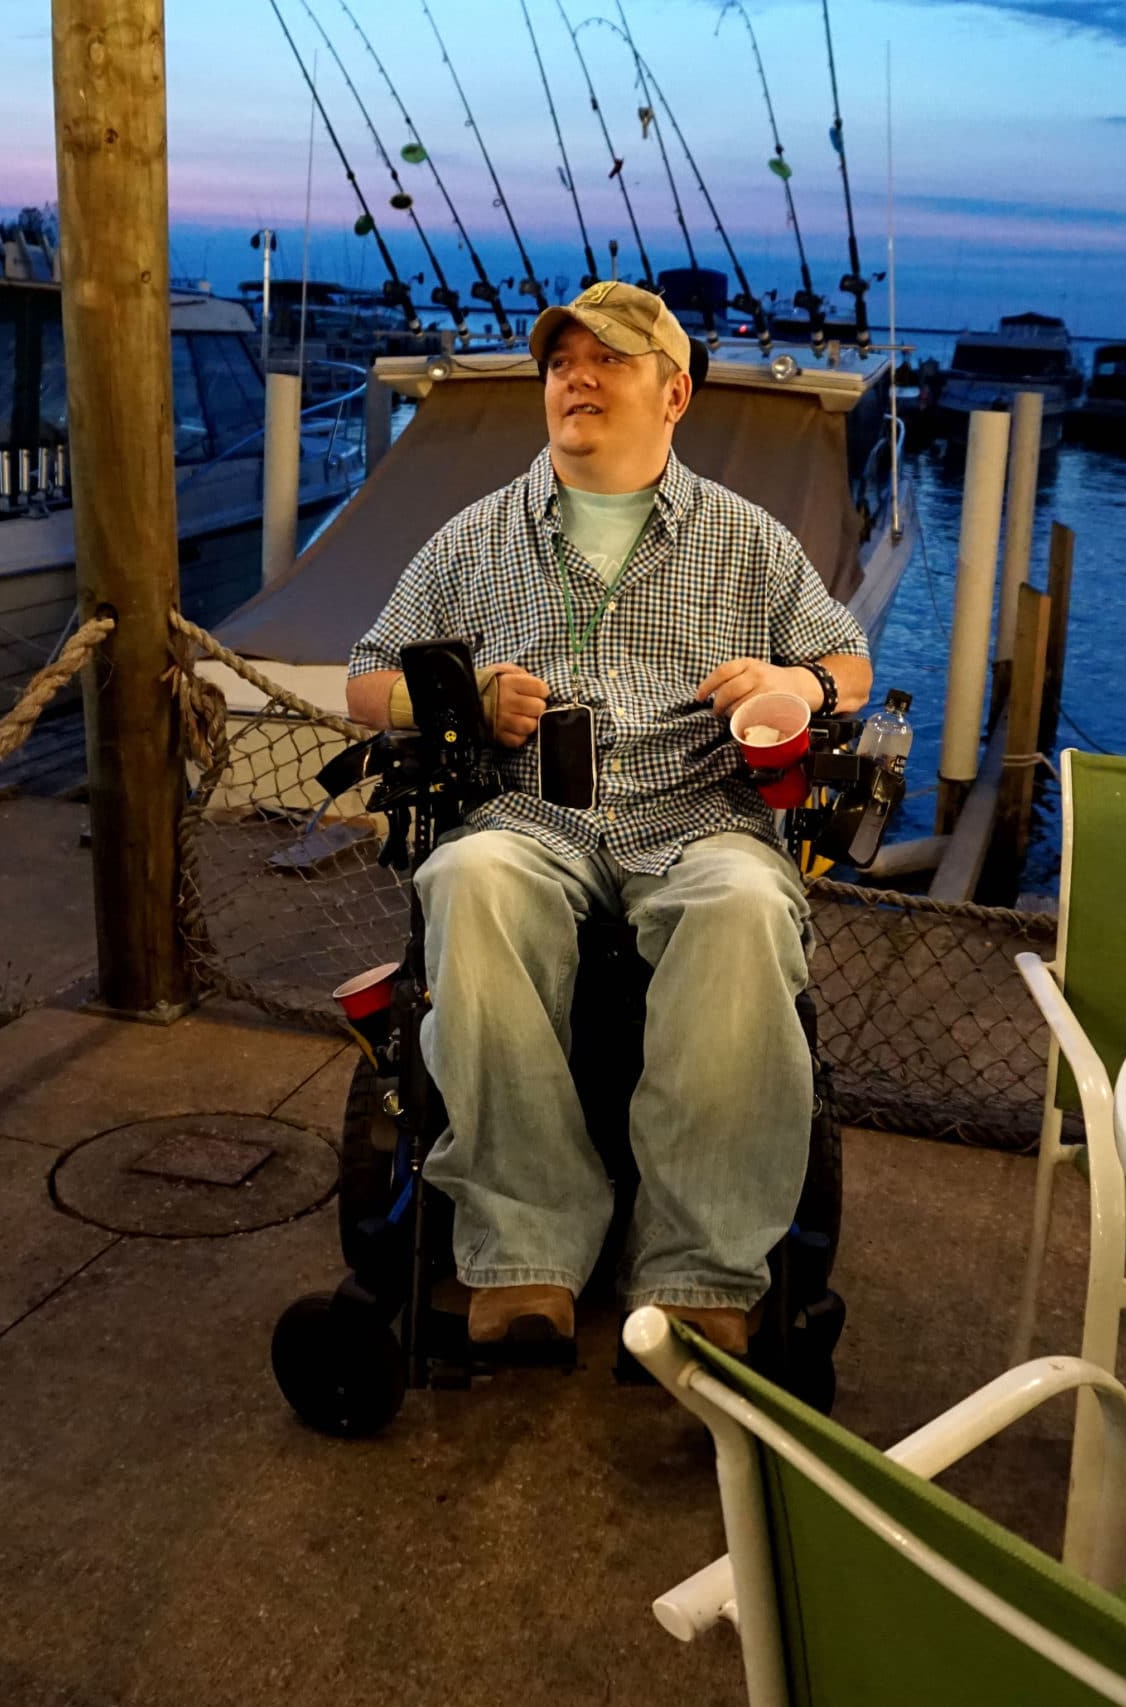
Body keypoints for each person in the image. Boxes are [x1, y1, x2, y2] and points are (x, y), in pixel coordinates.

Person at [347, 281, 870, 1356]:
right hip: (533, 811)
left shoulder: (747, 539)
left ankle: (698, 1266)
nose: (576, 376)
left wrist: (792, 686)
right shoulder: (472, 539)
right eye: (560, 362)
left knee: (739, 905)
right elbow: (364, 678)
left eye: (609, 360)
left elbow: (850, 662)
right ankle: (526, 1250)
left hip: (697, 813)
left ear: (673, 392)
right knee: (466, 881)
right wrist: (464, 697)